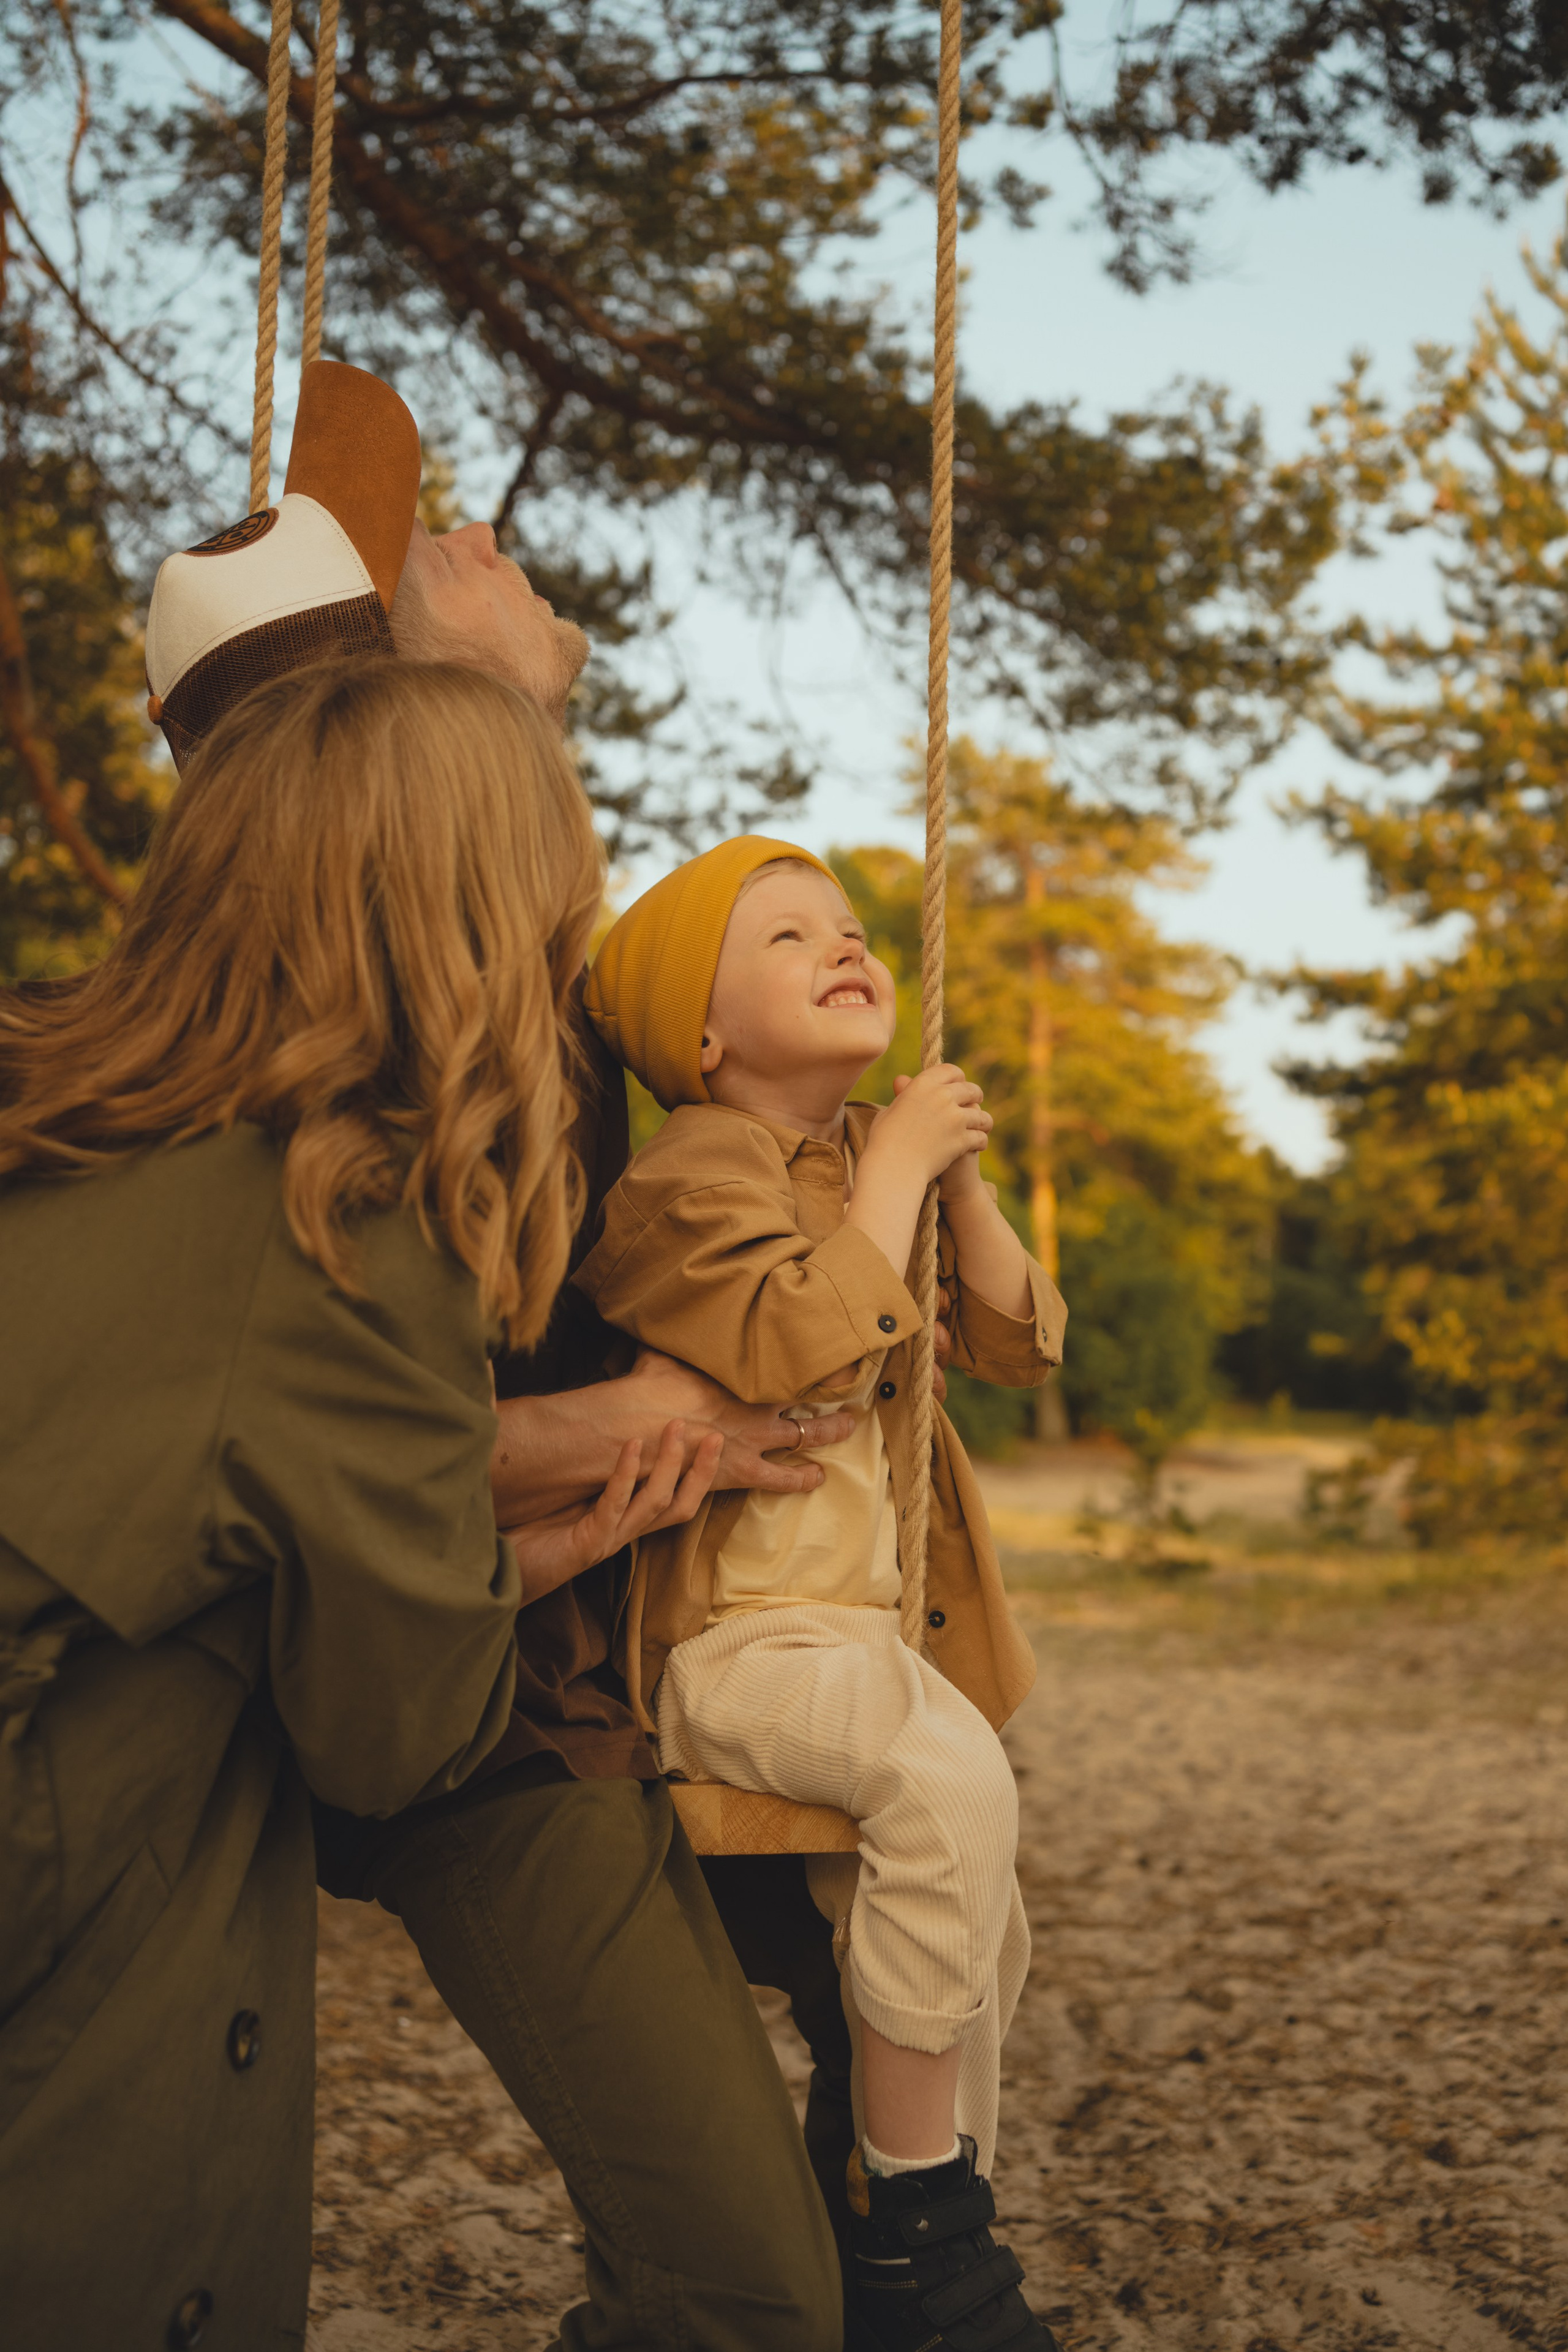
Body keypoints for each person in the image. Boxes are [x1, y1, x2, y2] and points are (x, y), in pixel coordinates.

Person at [140, 358, 873, 2345]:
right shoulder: (351, 1027)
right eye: (421, 548)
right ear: (388, 693)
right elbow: (292, 1456)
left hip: (590, 1668)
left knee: (851, 2100)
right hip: (465, 1726)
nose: (475, 531)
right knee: (745, 2291)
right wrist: (628, 1430)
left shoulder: (526, 967)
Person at [0, 657, 690, 2346]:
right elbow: (393, 1735)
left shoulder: (56, 1110)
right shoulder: (341, 1225)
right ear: (497, 916)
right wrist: (546, 1539)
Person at [575, 837, 1070, 2352]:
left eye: (849, 928)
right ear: (704, 1039)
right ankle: (929, 2239)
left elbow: (1013, 1343)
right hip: (737, 1640)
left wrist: (951, 1170)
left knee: (979, 1924)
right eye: (787, 936)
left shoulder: (876, 1154)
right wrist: (900, 1170)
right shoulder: (685, 1174)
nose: (846, 946)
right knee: (943, 1782)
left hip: (864, 1635)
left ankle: (873, 2203)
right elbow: (804, 1343)